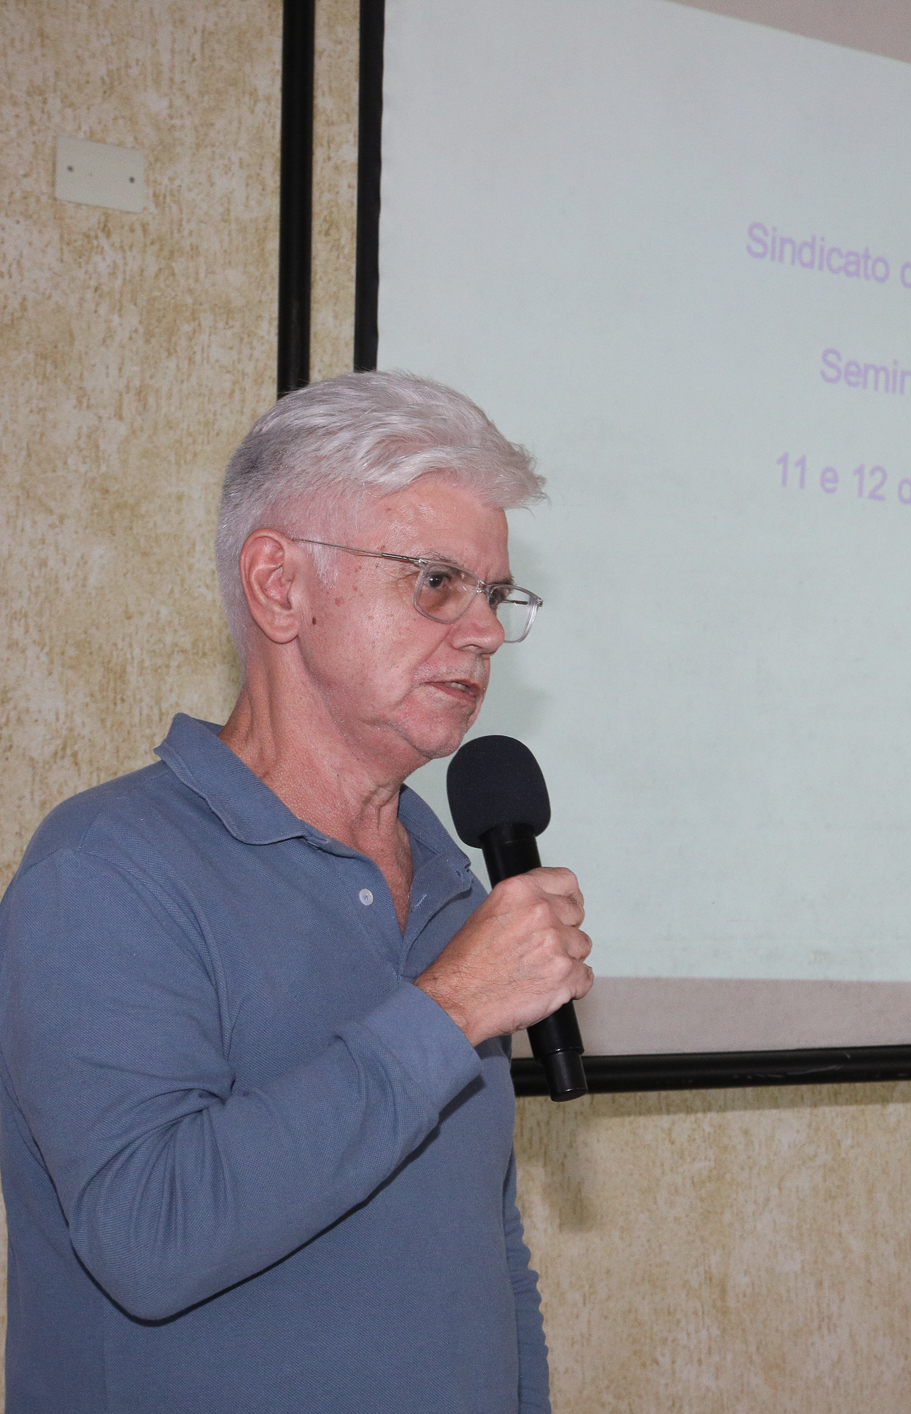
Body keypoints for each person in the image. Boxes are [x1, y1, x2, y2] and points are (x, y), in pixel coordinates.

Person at [0, 371, 594, 1412]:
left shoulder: (458, 885)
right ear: (279, 585)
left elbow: (482, 1245)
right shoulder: (105, 869)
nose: (486, 632)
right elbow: (152, 1234)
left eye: (496, 594)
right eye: (437, 583)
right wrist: (446, 1008)